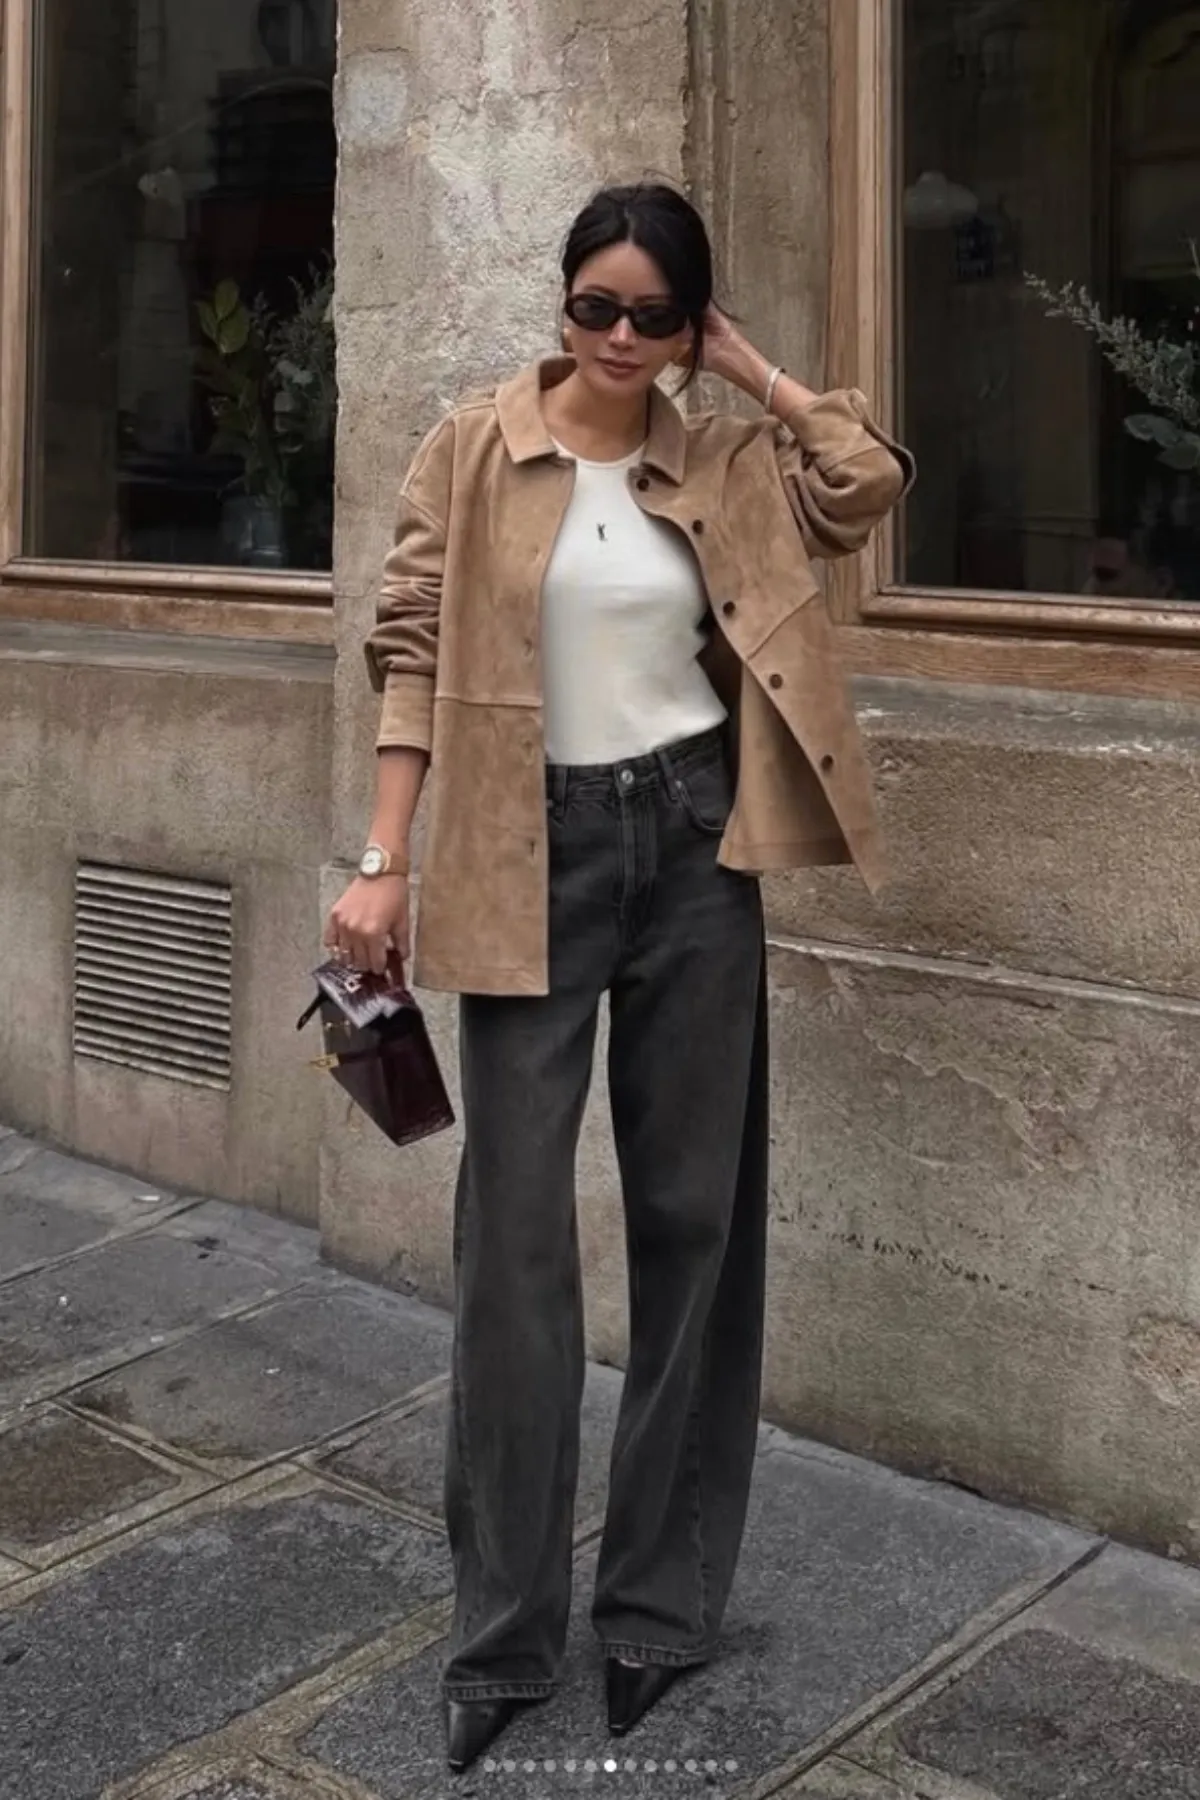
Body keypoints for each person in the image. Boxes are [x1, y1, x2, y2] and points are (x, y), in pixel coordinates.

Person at [324, 182, 913, 1772]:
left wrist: (753, 371)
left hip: (697, 848)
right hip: (530, 850)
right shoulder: (473, 445)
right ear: (561, 299)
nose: (621, 338)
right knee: (515, 1244)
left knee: (690, 1223)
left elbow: (863, 483)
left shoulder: (720, 453)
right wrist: (382, 859)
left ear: (688, 324)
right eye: (598, 305)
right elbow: (407, 648)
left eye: (657, 315)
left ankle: (658, 1603)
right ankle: (506, 1628)